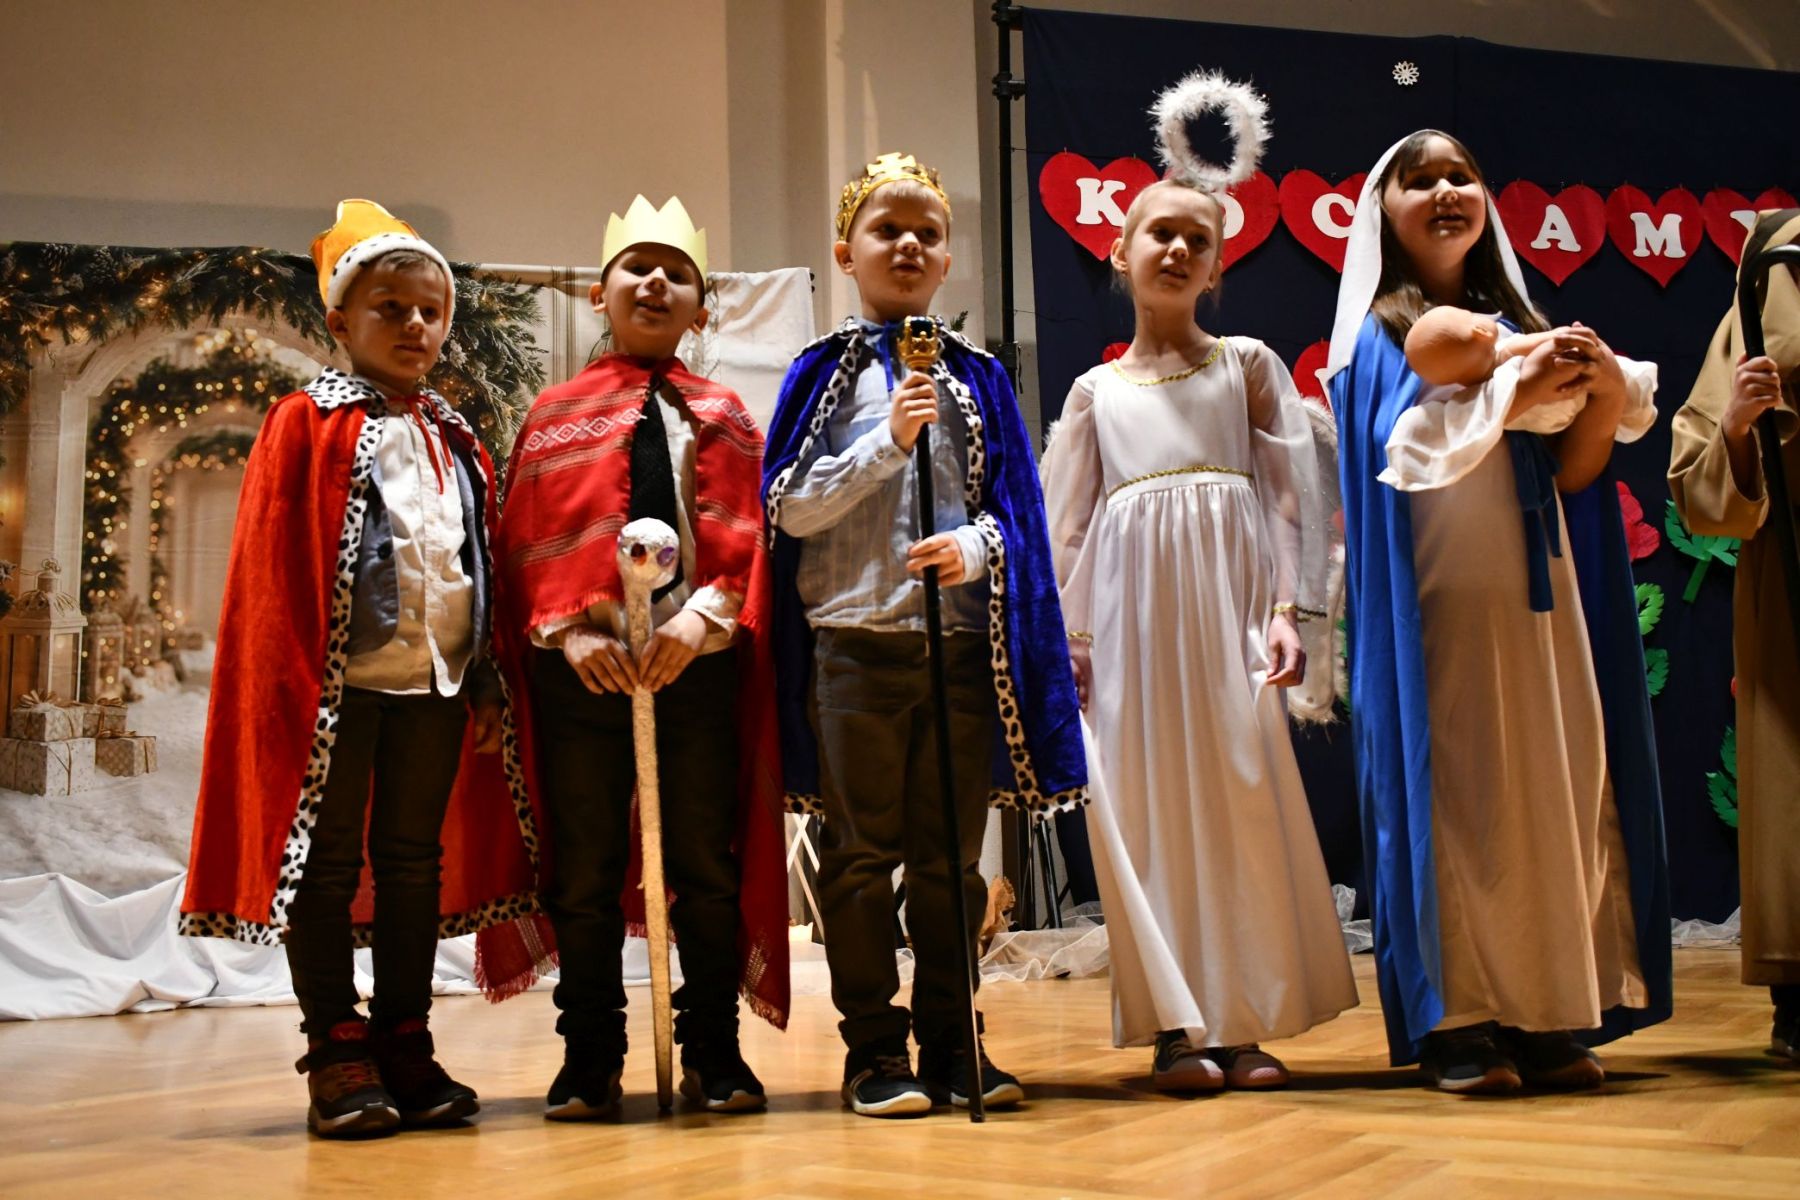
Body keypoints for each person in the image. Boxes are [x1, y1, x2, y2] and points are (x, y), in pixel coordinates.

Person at [181, 199, 536, 1136]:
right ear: (341, 321)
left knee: (414, 862)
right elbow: (274, 574)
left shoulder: (456, 437)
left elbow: (477, 564)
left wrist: (486, 678)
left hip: (435, 686)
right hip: (338, 694)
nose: (414, 325)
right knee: (331, 866)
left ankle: (405, 1038)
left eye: (430, 311)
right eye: (390, 308)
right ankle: (337, 1049)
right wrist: (297, 685)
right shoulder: (306, 424)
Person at [1328, 131, 1672, 1093]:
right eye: (1421, 181)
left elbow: (1576, 475)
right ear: (1384, 212)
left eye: (1462, 177)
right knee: (1459, 800)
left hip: (1539, 604)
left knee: (1549, 795)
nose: (1446, 192)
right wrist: (1514, 384)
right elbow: (1406, 449)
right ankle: (1462, 1020)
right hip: (1439, 607)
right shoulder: (1381, 339)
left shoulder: (1521, 323)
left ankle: (1546, 1007)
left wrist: (1599, 396)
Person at [762, 152, 1086, 1117]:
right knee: (860, 858)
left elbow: (1016, 516)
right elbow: (788, 507)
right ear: (846, 254)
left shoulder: (978, 378)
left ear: (946, 261)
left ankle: (954, 1039)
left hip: (957, 651)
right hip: (855, 646)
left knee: (950, 863)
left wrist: (975, 548)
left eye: (927, 234)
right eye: (886, 230)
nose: (907, 245)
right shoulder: (819, 375)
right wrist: (885, 445)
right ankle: (874, 1048)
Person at [1041, 177, 1357, 1092]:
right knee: (1151, 812)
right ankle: (1178, 1030)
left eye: (1198, 240)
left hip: (1229, 614)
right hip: (1131, 629)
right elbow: (1067, 531)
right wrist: (1072, 643)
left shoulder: (1244, 367)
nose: (1178, 250)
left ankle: (1243, 1020)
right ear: (1121, 252)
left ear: (1216, 266)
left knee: (1241, 800)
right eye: (1160, 234)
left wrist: (1290, 610)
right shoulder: (1095, 393)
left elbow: (1294, 499)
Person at [489, 196, 790, 1118]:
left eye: (678, 273)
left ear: (701, 306)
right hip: (582, 676)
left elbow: (746, 537)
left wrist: (699, 622)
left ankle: (712, 1049)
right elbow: (524, 545)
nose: (656, 281)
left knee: (702, 861)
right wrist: (572, 631)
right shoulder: (553, 415)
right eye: (637, 267)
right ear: (600, 293)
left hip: (694, 671)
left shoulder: (725, 415)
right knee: (583, 867)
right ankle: (590, 1055)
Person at [1668, 207, 1800, 1063]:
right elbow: (1701, 472)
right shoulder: (1777, 255)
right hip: (1793, 562)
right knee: (1795, 773)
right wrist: (1742, 427)